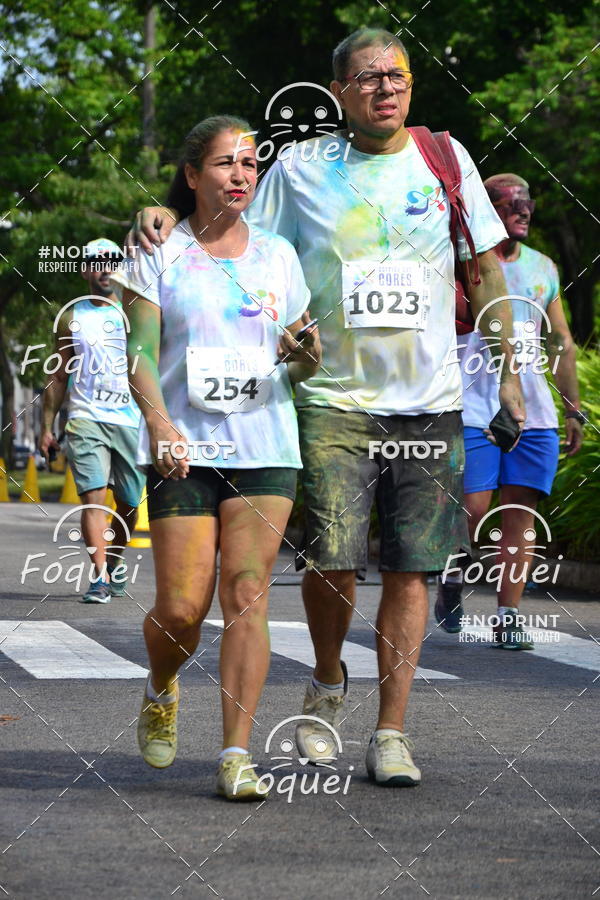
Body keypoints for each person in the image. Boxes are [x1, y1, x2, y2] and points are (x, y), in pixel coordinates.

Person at [126, 29, 525, 787]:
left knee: (411, 570)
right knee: (334, 561)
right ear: (339, 90)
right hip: (332, 398)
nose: (386, 88)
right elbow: (233, 232)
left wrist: (505, 377)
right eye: (369, 77)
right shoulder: (303, 167)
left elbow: (484, 272)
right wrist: (163, 212)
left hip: (432, 398)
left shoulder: (446, 160)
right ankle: (329, 676)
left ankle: (391, 733)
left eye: (398, 75)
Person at [122, 116, 321, 800]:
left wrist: (308, 356)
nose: (239, 175)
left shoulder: (278, 257)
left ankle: (237, 753)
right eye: (223, 164)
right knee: (181, 608)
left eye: (249, 165)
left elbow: (300, 350)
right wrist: (157, 420)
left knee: (246, 593)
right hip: (183, 448)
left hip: (266, 445)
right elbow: (140, 352)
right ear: (191, 175)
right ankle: (160, 684)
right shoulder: (157, 249)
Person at [436, 173, 583, 648]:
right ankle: (453, 582)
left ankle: (507, 616)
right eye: (511, 204)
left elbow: (559, 340)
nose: (523, 211)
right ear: (489, 209)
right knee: (473, 509)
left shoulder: (543, 267)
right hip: (475, 405)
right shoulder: (466, 264)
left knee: (520, 514)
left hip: (534, 413)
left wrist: (573, 409)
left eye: (528, 205)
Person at [40, 238, 145, 603]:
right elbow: (58, 374)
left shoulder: (136, 312)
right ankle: (99, 578)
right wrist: (46, 426)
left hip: (130, 420)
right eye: (97, 262)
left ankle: (114, 563)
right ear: (85, 269)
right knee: (94, 498)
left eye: (113, 261)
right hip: (85, 417)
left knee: (130, 504)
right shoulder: (72, 316)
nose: (105, 268)